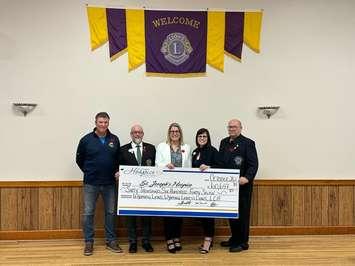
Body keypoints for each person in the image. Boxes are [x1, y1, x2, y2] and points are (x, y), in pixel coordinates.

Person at [76, 112, 122, 256]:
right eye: (100, 122)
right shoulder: (86, 140)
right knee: (88, 213)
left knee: (110, 212)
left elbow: (117, 159)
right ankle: (89, 242)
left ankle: (111, 240)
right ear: (95, 122)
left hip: (109, 183)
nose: (103, 125)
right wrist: (89, 171)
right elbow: (79, 159)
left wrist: (116, 171)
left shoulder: (114, 139)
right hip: (91, 183)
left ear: (109, 123)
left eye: (106, 122)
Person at [219, 119, 258, 252]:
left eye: (234, 127)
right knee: (232, 213)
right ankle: (234, 238)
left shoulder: (248, 143)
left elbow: (253, 164)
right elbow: (220, 163)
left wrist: (247, 178)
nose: (232, 129)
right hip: (228, 186)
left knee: (242, 214)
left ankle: (243, 242)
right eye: (230, 127)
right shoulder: (223, 143)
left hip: (243, 186)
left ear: (241, 128)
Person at [119, 124, 156, 253]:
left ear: (143, 134)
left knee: (146, 216)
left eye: (139, 132)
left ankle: (146, 241)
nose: (137, 134)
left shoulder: (151, 149)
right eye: (134, 132)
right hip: (130, 191)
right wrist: (117, 172)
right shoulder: (123, 149)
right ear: (131, 134)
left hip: (147, 190)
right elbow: (116, 166)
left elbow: (156, 168)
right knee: (131, 217)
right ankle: (133, 241)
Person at [155, 122, 191, 253]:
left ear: (180, 133)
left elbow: (189, 166)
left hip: (182, 186)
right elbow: (157, 164)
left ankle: (177, 237)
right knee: (168, 213)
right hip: (167, 185)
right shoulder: (162, 146)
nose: (174, 133)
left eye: (177, 131)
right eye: (172, 131)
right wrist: (166, 165)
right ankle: (169, 239)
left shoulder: (186, 147)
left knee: (178, 214)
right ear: (169, 133)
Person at [191, 128, 221, 254]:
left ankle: (208, 241)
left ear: (208, 138)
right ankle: (208, 238)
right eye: (200, 136)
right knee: (202, 217)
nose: (202, 138)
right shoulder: (195, 151)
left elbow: (222, 166)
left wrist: (209, 167)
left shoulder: (213, 151)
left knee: (209, 216)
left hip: (209, 190)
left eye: (204, 136)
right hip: (197, 190)